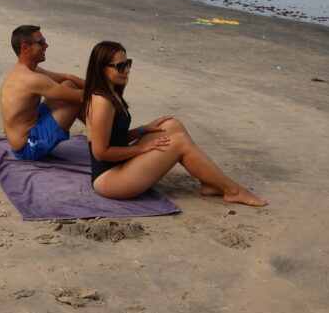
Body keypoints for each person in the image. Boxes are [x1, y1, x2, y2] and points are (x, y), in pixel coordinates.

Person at [83, 40, 267, 206]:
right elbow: (101, 152)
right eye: (120, 67)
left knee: (171, 125)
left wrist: (143, 130)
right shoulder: (102, 103)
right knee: (179, 142)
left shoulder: (111, 93)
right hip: (109, 180)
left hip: (120, 165)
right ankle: (233, 191)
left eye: (128, 64)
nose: (127, 70)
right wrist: (142, 149)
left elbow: (115, 137)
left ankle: (209, 183)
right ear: (101, 68)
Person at [0, 25, 85, 160]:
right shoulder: (31, 79)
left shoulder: (27, 70)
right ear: (25, 48)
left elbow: (67, 78)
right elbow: (81, 97)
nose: (46, 45)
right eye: (41, 42)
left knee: (69, 85)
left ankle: (106, 137)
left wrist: (101, 85)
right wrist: (110, 91)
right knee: (75, 100)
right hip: (28, 147)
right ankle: (107, 140)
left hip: (33, 124)